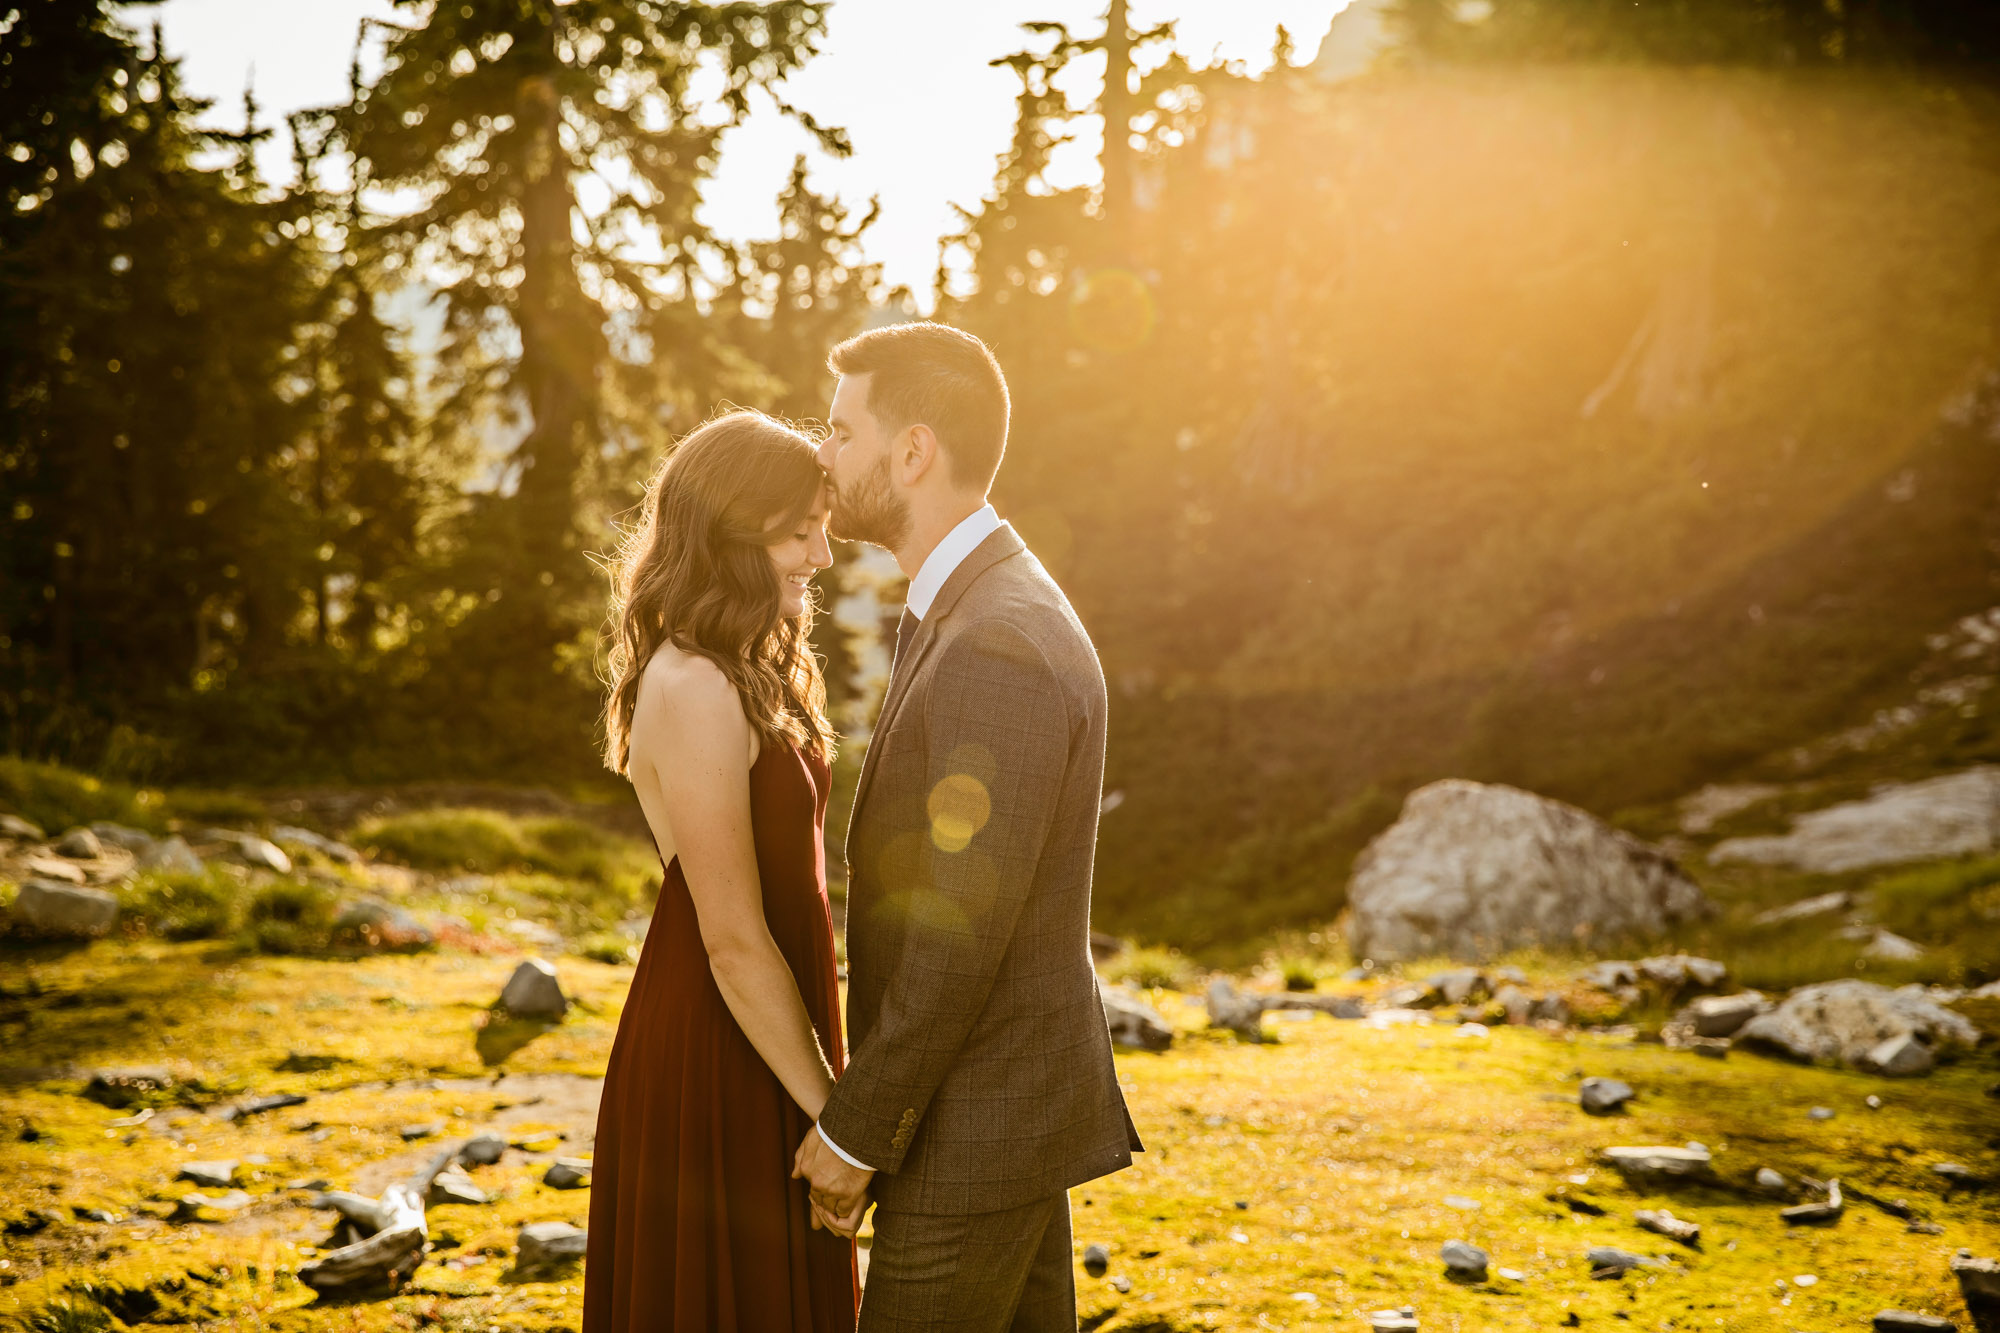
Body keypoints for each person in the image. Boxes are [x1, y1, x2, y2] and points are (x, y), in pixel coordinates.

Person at [794, 322, 1142, 1331]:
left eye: (839, 430)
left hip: (975, 1128)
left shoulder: (996, 640)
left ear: (911, 451)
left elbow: (958, 928)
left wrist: (856, 1132)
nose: (823, 454)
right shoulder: (973, 603)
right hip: (998, 1116)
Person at [583, 409, 859, 1332]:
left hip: (775, 1034)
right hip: (718, 1046)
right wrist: (838, 1126)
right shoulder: (693, 683)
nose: (821, 554)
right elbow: (735, 941)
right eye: (798, 530)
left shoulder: (746, 668)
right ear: (731, 531)